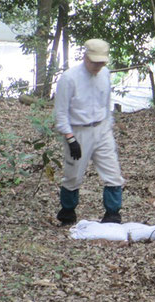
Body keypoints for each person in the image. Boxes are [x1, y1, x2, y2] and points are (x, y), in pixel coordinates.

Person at [54, 39, 125, 225]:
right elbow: (60, 113)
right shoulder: (69, 78)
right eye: (95, 62)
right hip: (78, 131)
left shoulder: (105, 74)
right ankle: (68, 212)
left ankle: (112, 215)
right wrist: (70, 139)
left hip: (101, 128)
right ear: (85, 57)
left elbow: (106, 102)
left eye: (101, 63)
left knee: (113, 173)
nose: (98, 66)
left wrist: (107, 126)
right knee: (73, 176)